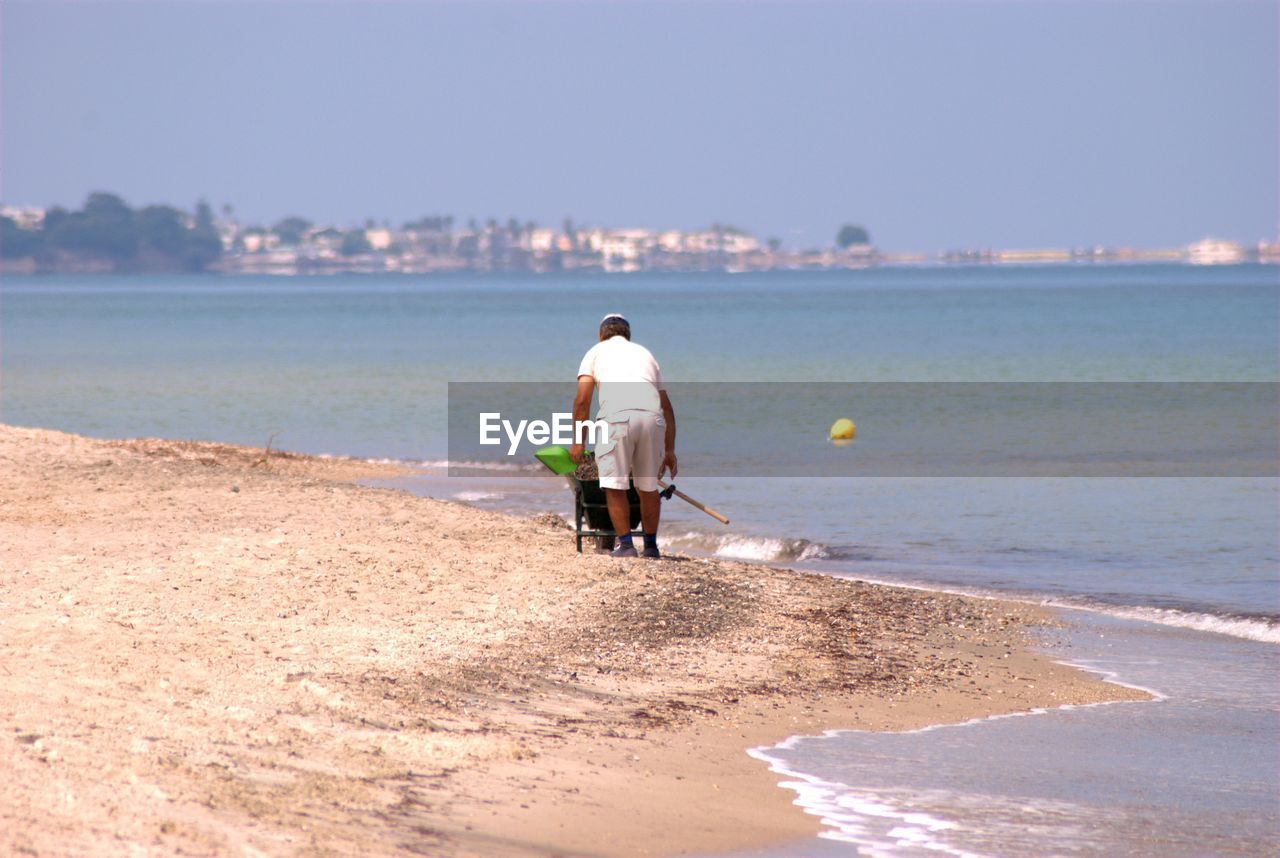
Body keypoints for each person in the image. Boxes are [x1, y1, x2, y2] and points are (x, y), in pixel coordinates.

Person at [569, 313, 677, 559]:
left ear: (601, 335)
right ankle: (650, 547)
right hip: (652, 419)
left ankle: (626, 545)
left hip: (616, 419)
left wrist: (578, 442)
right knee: (648, 487)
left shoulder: (595, 352)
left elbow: (582, 400)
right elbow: (667, 408)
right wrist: (670, 450)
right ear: (627, 335)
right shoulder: (645, 354)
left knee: (614, 485)